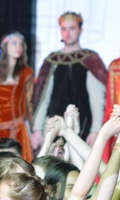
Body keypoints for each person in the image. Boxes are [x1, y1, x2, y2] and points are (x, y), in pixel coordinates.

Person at [33, 12, 107, 147]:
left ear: (80, 30)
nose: (68, 33)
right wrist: (37, 129)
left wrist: (95, 130)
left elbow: (97, 99)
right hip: (54, 127)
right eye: (64, 29)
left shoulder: (90, 59)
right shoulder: (52, 61)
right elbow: (43, 97)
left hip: (84, 126)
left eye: (72, 28)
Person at [0, 31, 34, 162]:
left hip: (17, 129)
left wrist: (35, 129)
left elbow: (29, 103)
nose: (19, 47)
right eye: (14, 43)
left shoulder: (26, 73)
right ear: (5, 46)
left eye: (21, 44)